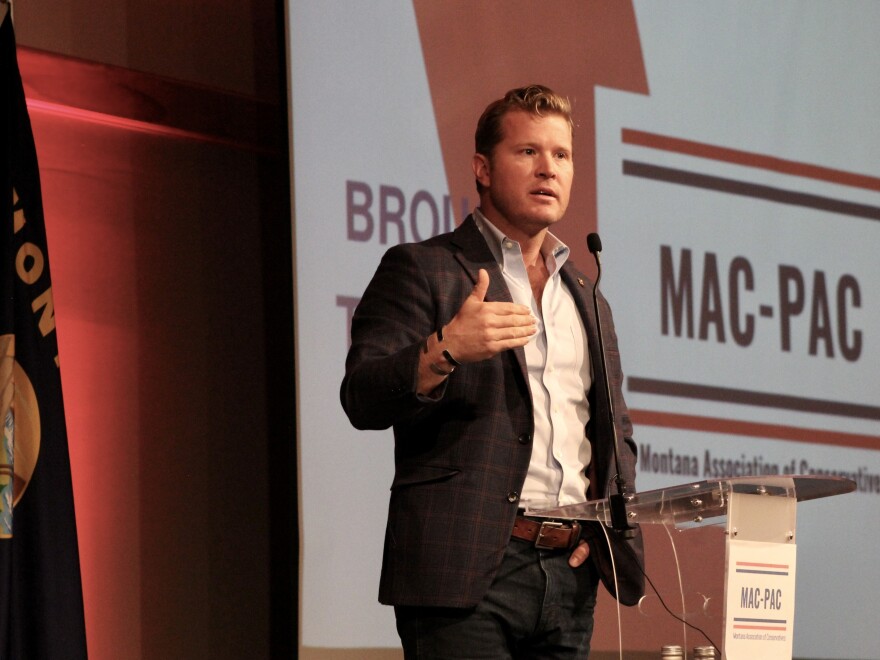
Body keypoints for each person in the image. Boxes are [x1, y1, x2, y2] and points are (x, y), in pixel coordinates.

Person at [341, 84, 644, 658]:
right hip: (466, 572)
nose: (547, 169)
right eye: (527, 152)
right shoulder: (424, 268)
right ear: (482, 168)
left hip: (570, 571)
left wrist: (605, 531)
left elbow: (613, 429)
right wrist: (444, 350)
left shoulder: (584, 293)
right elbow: (362, 395)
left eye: (561, 155)